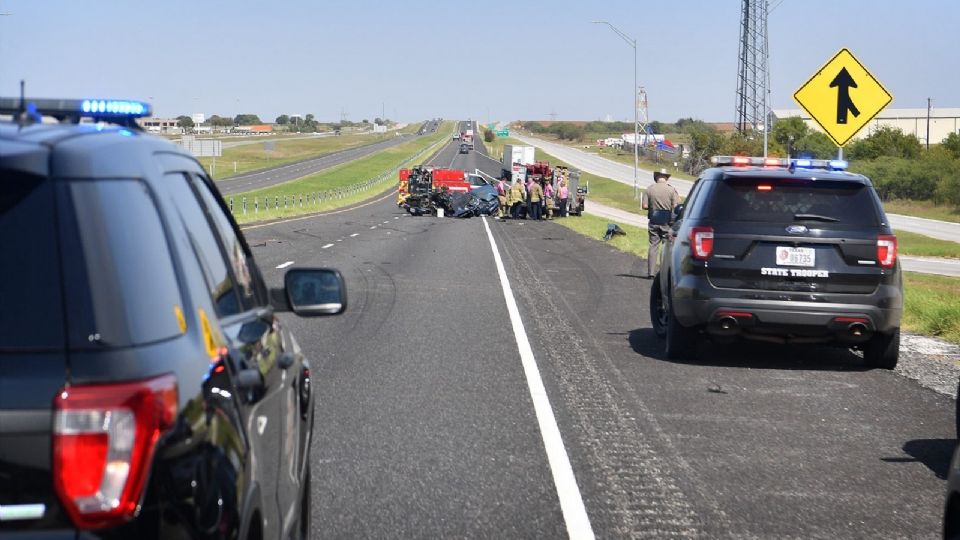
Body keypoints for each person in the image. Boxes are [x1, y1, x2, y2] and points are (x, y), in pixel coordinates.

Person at [642, 168, 681, 278]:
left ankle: (651, 273)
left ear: (656, 177)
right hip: (666, 222)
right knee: (666, 247)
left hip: (654, 221)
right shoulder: (671, 190)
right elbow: (676, 207)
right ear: (666, 178)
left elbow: (644, 206)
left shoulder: (649, 189)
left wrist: (653, 207)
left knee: (653, 246)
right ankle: (664, 273)